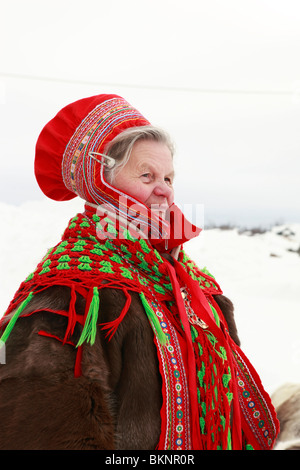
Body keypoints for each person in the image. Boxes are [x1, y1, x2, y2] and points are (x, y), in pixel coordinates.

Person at [0, 94, 279, 450]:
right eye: (146, 175)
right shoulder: (73, 292)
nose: (164, 190)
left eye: (168, 177)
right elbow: (38, 430)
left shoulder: (191, 283)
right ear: (102, 184)